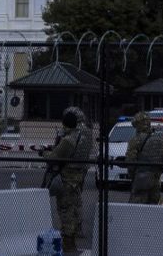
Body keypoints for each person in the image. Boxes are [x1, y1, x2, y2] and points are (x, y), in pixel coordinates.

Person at [41, 106, 93, 253]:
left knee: (65, 210)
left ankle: (68, 244)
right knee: (75, 207)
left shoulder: (69, 140)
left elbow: (54, 158)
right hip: (78, 178)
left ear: (65, 124)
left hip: (66, 179)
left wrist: (44, 153)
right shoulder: (85, 136)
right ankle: (73, 242)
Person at [124, 111, 163, 204]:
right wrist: (158, 171)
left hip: (140, 180)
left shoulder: (135, 140)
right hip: (155, 180)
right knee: (152, 210)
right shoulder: (160, 139)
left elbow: (130, 161)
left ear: (138, 125)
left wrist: (132, 174)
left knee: (137, 210)